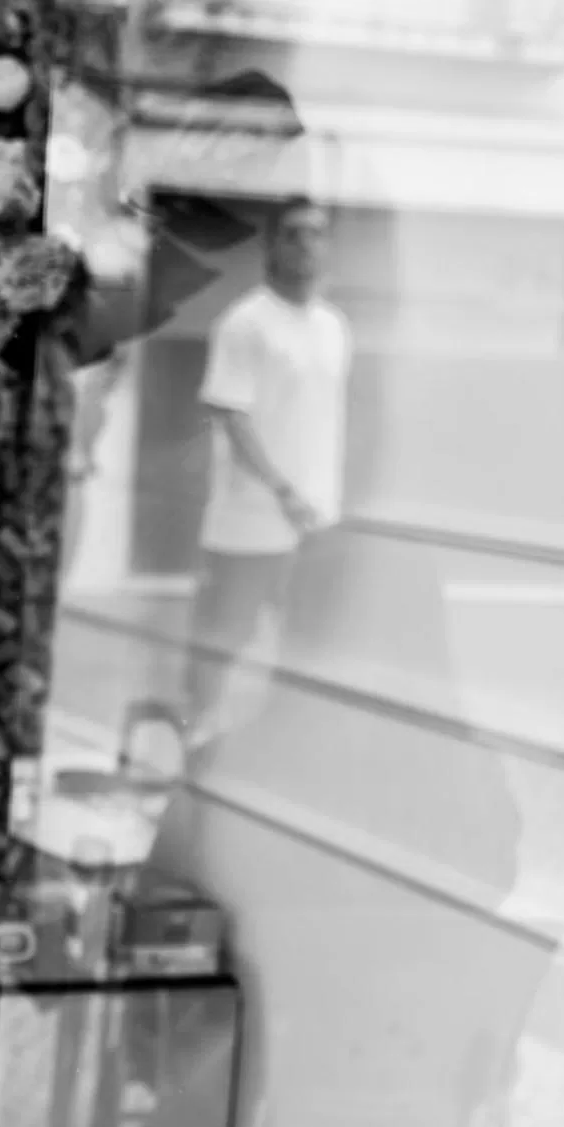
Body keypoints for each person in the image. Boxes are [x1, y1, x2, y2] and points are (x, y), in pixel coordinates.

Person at [182, 196, 351, 743]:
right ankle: (195, 733)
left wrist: (320, 502)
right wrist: (282, 490)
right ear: (271, 245)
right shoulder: (245, 323)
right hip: (249, 524)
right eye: (295, 234)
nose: (307, 246)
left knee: (307, 639)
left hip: (317, 522)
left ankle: (288, 742)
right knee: (224, 637)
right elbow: (231, 416)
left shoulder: (333, 327)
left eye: (318, 234)